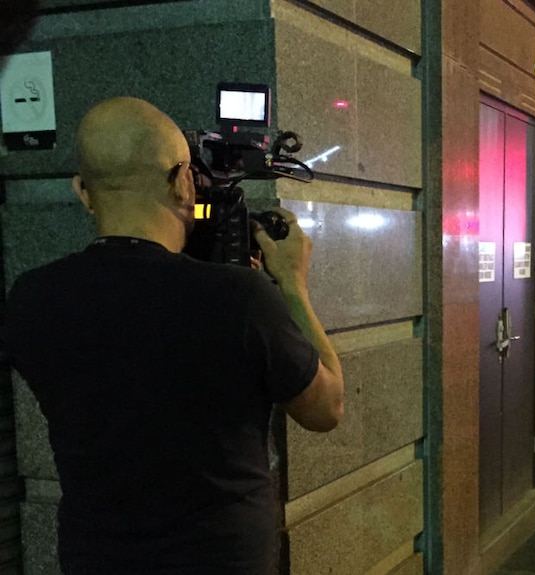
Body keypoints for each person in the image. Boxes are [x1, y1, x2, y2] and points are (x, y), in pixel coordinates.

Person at [4, 97, 344, 575]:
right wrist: (292, 284)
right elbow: (326, 408)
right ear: (184, 181)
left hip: (96, 559)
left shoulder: (31, 298)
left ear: (82, 191)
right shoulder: (240, 300)